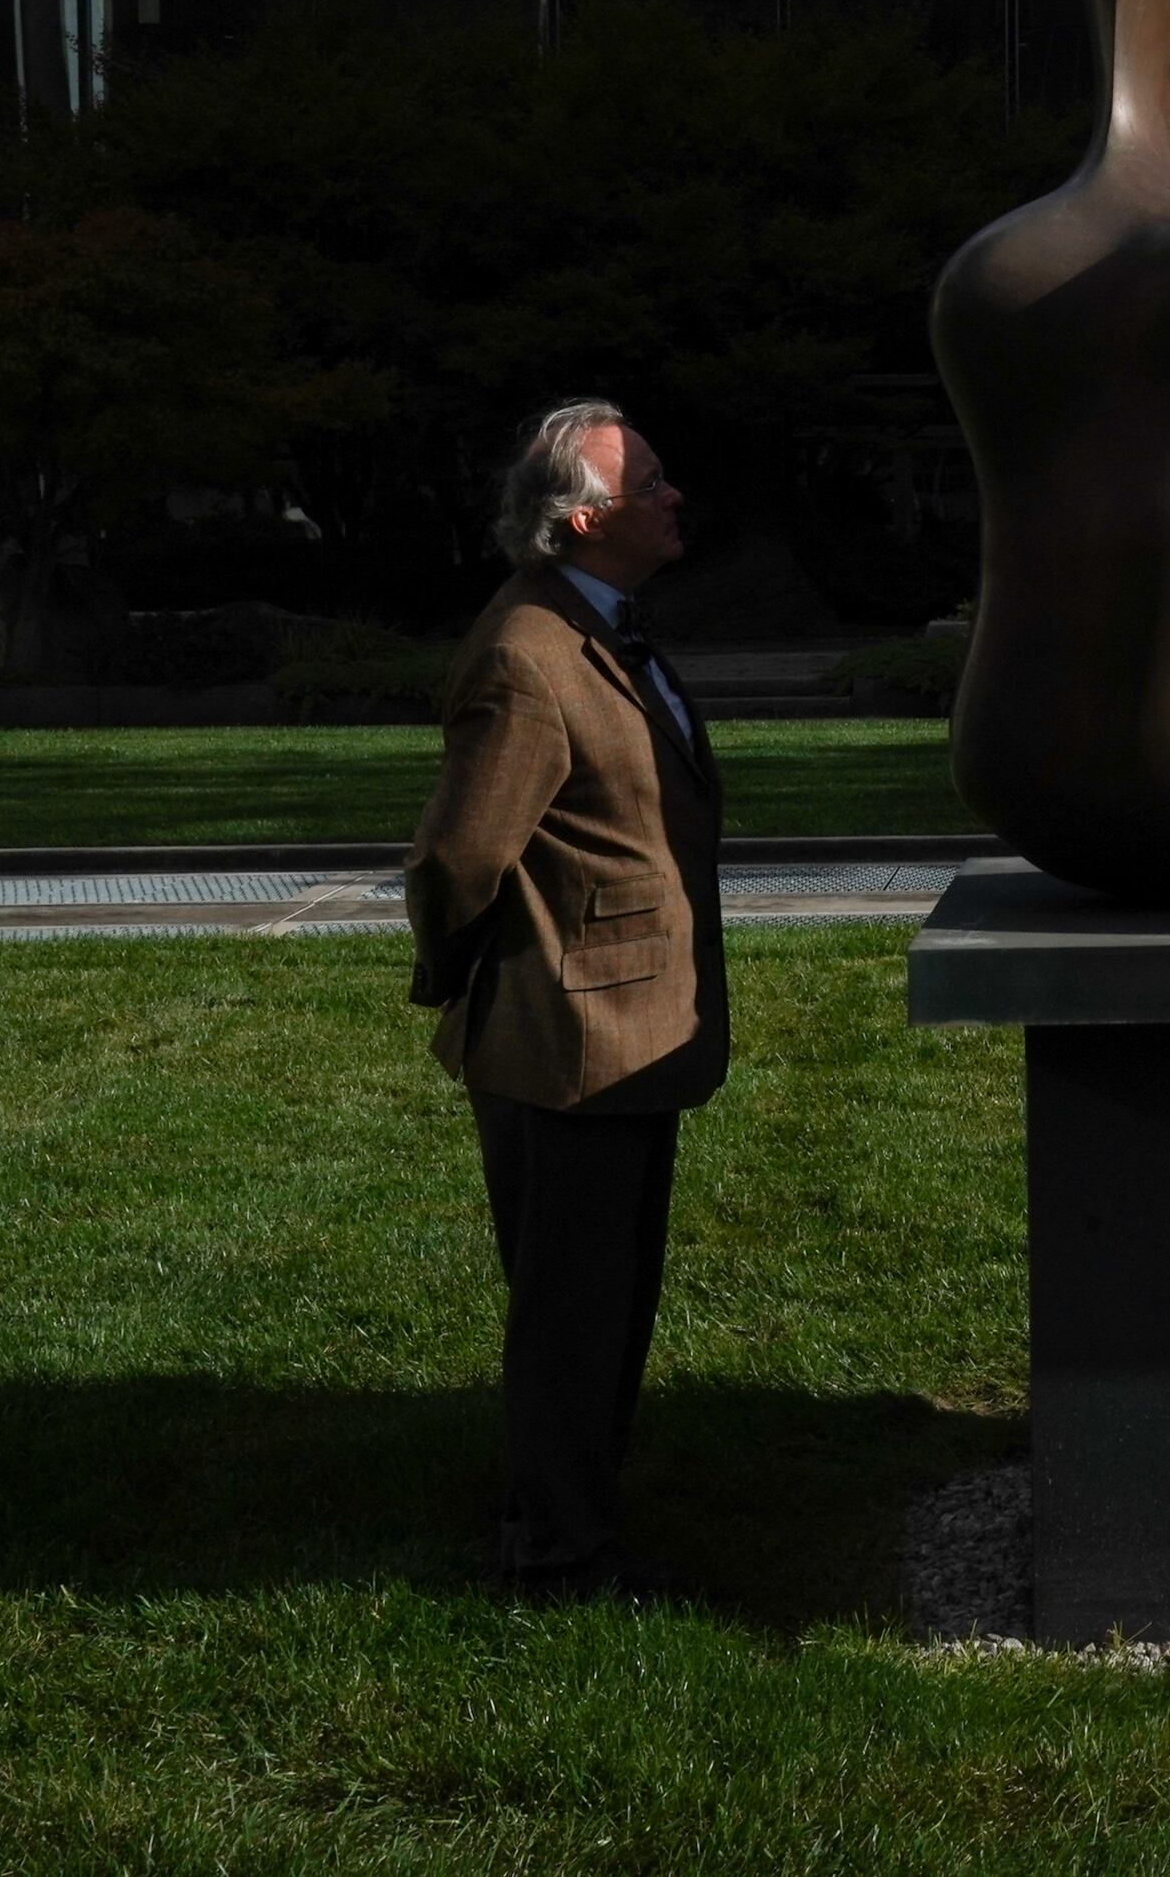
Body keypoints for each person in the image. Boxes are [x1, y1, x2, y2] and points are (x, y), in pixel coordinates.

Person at [406, 398, 721, 1600]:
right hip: (568, 1040)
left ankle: (573, 1510)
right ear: (582, 519)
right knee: (573, 1314)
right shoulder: (526, 656)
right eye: (648, 484)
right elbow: (456, 860)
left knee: (601, 1299)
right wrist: (477, 979)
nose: (672, 496)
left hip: (620, 1029)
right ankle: (557, 1553)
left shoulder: (605, 629)